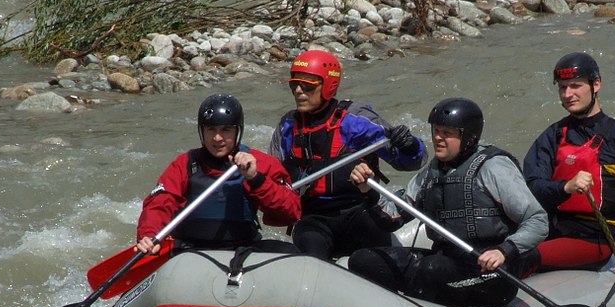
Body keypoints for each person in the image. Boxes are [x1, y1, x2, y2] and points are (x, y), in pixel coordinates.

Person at [347, 97, 547, 307]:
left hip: (492, 272)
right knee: (363, 260)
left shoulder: (494, 167)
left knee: (432, 268)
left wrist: (503, 251)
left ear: (468, 137)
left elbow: (537, 220)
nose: (437, 138)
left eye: (447, 134)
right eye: (436, 131)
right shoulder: (432, 172)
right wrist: (367, 190)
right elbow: (392, 219)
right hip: (447, 261)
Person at [268, 48, 426, 259]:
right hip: (313, 217)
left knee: (374, 255)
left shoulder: (355, 121)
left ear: (328, 86)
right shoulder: (288, 125)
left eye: (307, 85)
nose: (298, 91)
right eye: (294, 84)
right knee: (311, 256)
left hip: (359, 210)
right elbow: (272, 174)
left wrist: (409, 146)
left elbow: (411, 162)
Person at [522, 52, 615, 282]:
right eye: (563, 87)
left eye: (575, 86)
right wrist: (565, 188)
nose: (568, 94)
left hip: (594, 239)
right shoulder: (553, 136)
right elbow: (532, 187)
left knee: (521, 259)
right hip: (550, 231)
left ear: (596, 85)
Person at [135, 93, 301, 254]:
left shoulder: (259, 163)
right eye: (211, 129)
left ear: (238, 131)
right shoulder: (185, 164)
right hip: (191, 251)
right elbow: (159, 204)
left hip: (242, 249)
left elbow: (291, 212)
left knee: (292, 252)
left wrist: (256, 179)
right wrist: (149, 235)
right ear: (202, 131)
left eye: (226, 130)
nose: (217, 138)